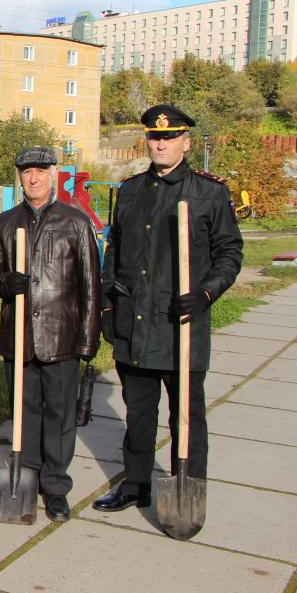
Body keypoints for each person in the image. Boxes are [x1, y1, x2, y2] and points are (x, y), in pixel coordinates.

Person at [92, 105, 243, 513]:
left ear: (186, 142)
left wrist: (207, 293)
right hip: (136, 323)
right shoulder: (130, 190)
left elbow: (230, 253)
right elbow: (115, 250)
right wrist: (108, 303)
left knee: (187, 420)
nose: (161, 143)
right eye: (155, 137)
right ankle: (136, 484)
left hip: (182, 326)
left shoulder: (208, 192)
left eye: (170, 137)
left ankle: (187, 488)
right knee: (138, 415)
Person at [0, 146, 101, 522]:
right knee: (24, 411)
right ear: (19, 177)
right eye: (26, 172)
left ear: (53, 174)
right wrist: (8, 283)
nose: (33, 178)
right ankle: (27, 475)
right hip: (20, 336)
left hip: (62, 335)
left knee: (59, 414)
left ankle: (55, 486)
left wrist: (88, 339)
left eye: (40, 171)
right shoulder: (5, 223)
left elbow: (91, 285)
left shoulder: (75, 223)